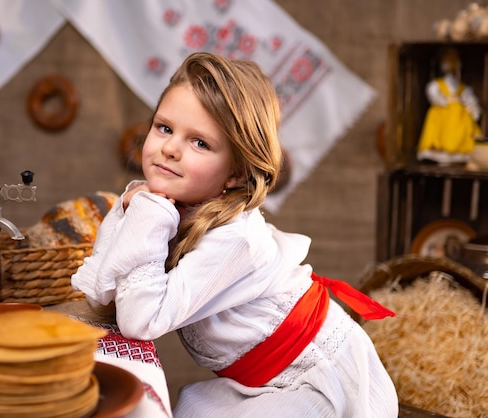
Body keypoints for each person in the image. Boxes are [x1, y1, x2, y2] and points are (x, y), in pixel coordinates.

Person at [72, 51, 398, 417]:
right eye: (164, 127)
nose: (169, 148)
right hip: (255, 381)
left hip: (313, 379)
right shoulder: (171, 204)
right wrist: (137, 213)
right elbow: (104, 287)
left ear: (236, 174)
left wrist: (145, 216)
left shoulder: (235, 238)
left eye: (200, 143)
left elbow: (140, 321)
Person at [416, 46, 482, 164]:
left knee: (462, 135)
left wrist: (473, 110)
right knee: (440, 134)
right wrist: (445, 102)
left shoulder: (462, 87)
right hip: (443, 114)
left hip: (459, 116)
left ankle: (459, 155)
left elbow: (470, 101)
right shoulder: (437, 85)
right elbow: (434, 96)